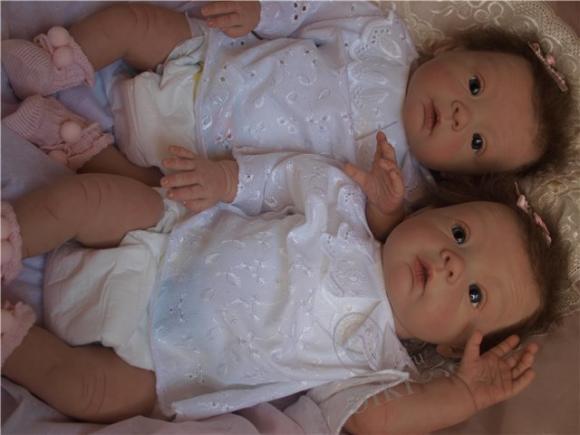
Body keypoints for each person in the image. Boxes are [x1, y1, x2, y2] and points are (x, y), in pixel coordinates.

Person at [0, 132, 566, 433]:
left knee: (90, 394)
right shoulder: (347, 208)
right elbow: (287, 176)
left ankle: (11, 340)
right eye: (460, 234)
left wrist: (462, 395)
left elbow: (380, 419)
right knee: (90, 198)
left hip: (163, 364)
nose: (451, 263)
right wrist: (225, 179)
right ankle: (11, 237)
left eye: (473, 294)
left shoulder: (374, 362)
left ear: (451, 348)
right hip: (166, 238)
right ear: (433, 210)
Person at [1, 1, 575, 241]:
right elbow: (316, 7)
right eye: (474, 87)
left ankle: (67, 137)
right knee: (135, 22)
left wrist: (386, 208)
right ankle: (54, 65)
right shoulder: (384, 38)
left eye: (476, 140)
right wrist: (265, 10)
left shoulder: (403, 184)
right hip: (207, 63)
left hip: (207, 169)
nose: (460, 114)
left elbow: (361, 226)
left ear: (463, 177)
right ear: (454, 48)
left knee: (137, 197)